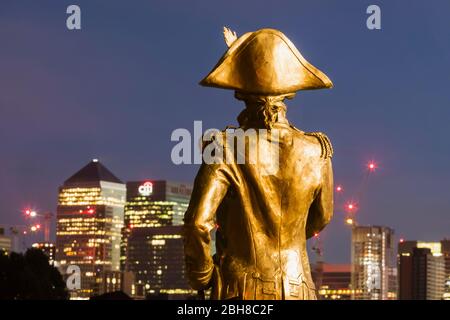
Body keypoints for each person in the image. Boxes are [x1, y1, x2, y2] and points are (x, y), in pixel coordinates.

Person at [183, 28, 334, 300]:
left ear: (240, 93)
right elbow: (322, 217)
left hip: (239, 290)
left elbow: (197, 223)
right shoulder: (316, 150)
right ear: (289, 92)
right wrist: (290, 237)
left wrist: (203, 276)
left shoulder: (225, 147)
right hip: (299, 288)